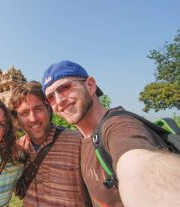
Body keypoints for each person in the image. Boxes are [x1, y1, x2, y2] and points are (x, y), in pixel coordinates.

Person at [42, 60, 180, 207]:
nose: (59, 100)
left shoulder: (119, 126)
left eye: (65, 87)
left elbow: (139, 165)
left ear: (90, 85)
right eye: (51, 97)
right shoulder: (81, 141)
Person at [9, 81, 92, 207]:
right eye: (24, 113)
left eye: (38, 109)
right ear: (17, 118)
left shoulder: (78, 141)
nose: (33, 118)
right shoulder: (17, 149)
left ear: (48, 109)